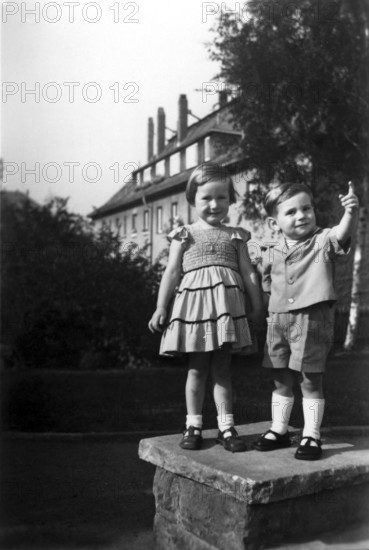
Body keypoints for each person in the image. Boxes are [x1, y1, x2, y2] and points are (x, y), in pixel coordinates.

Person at [149, 162, 264, 452]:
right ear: (192, 200)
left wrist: (257, 305)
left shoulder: (236, 235)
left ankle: (226, 427)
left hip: (226, 311)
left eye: (221, 197)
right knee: (197, 370)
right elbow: (172, 272)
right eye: (206, 198)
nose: (214, 204)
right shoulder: (184, 234)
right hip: (195, 314)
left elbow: (249, 272)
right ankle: (194, 425)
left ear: (231, 200)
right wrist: (161, 307)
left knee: (223, 370)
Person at [253, 181, 359, 460]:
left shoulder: (322, 240)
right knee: (280, 376)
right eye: (291, 212)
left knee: (310, 378)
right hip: (278, 321)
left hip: (312, 319)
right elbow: (267, 284)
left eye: (306, 208)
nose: (302, 215)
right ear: (274, 223)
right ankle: (279, 429)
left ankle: (311, 434)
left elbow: (342, 233)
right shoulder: (270, 250)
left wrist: (350, 213)